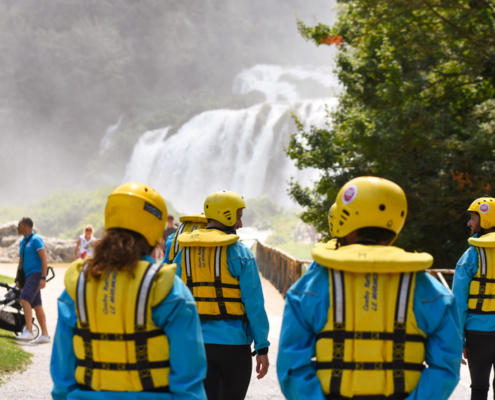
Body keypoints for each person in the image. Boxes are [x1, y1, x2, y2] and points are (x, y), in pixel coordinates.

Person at [277, 176, 462, 400]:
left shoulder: (308, 288)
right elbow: (446, 368)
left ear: (343, 219)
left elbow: (291, 367)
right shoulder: (432, 291)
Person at [50, 182, 207, 400]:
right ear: (155, 229)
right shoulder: (170, 290)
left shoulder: (78, 286)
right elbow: (189, 382)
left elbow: (62, 377)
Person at [174, 191, 270, 400]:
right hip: (234, 348)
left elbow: (172, 298)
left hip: (196, 345)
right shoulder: (241, 253)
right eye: (239, 216)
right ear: (226, 215)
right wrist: (262, 346)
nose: (240, 223)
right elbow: (254, 305)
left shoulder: (184, 253)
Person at [452, 196, 495, 400]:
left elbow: (458, 302)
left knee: (479, 388)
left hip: (478, 334)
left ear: (486, 219)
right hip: (480, 333)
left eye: (473, 218)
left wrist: (457, 338)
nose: (469, 223)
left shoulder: (470, 256)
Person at [16, 217, 51, 343]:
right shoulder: (22, 242)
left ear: (26, 226)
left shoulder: (36, 239)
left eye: (19, 224)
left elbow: (44, 258)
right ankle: (45, 335)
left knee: (24, 299)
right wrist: (18, 278)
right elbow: (21, 261)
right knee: (36, 305)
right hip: (27, 276)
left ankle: (29, 332)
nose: (17, 227)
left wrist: (43, 278)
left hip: (35, 274)